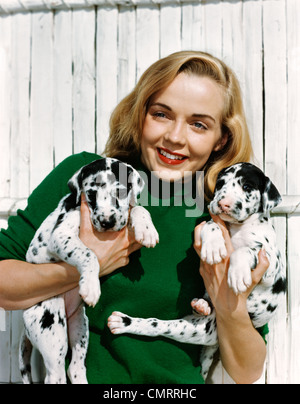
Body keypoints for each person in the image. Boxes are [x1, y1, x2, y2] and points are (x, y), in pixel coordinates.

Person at [0, 51, 269, 384]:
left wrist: (229, 307)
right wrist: (85, 265)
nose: (175, 136)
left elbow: (247, 371)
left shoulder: (222, 215)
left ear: (221, 139)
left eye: (199, 124)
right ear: (140, 114)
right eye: (161, 114)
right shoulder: (87, 176)